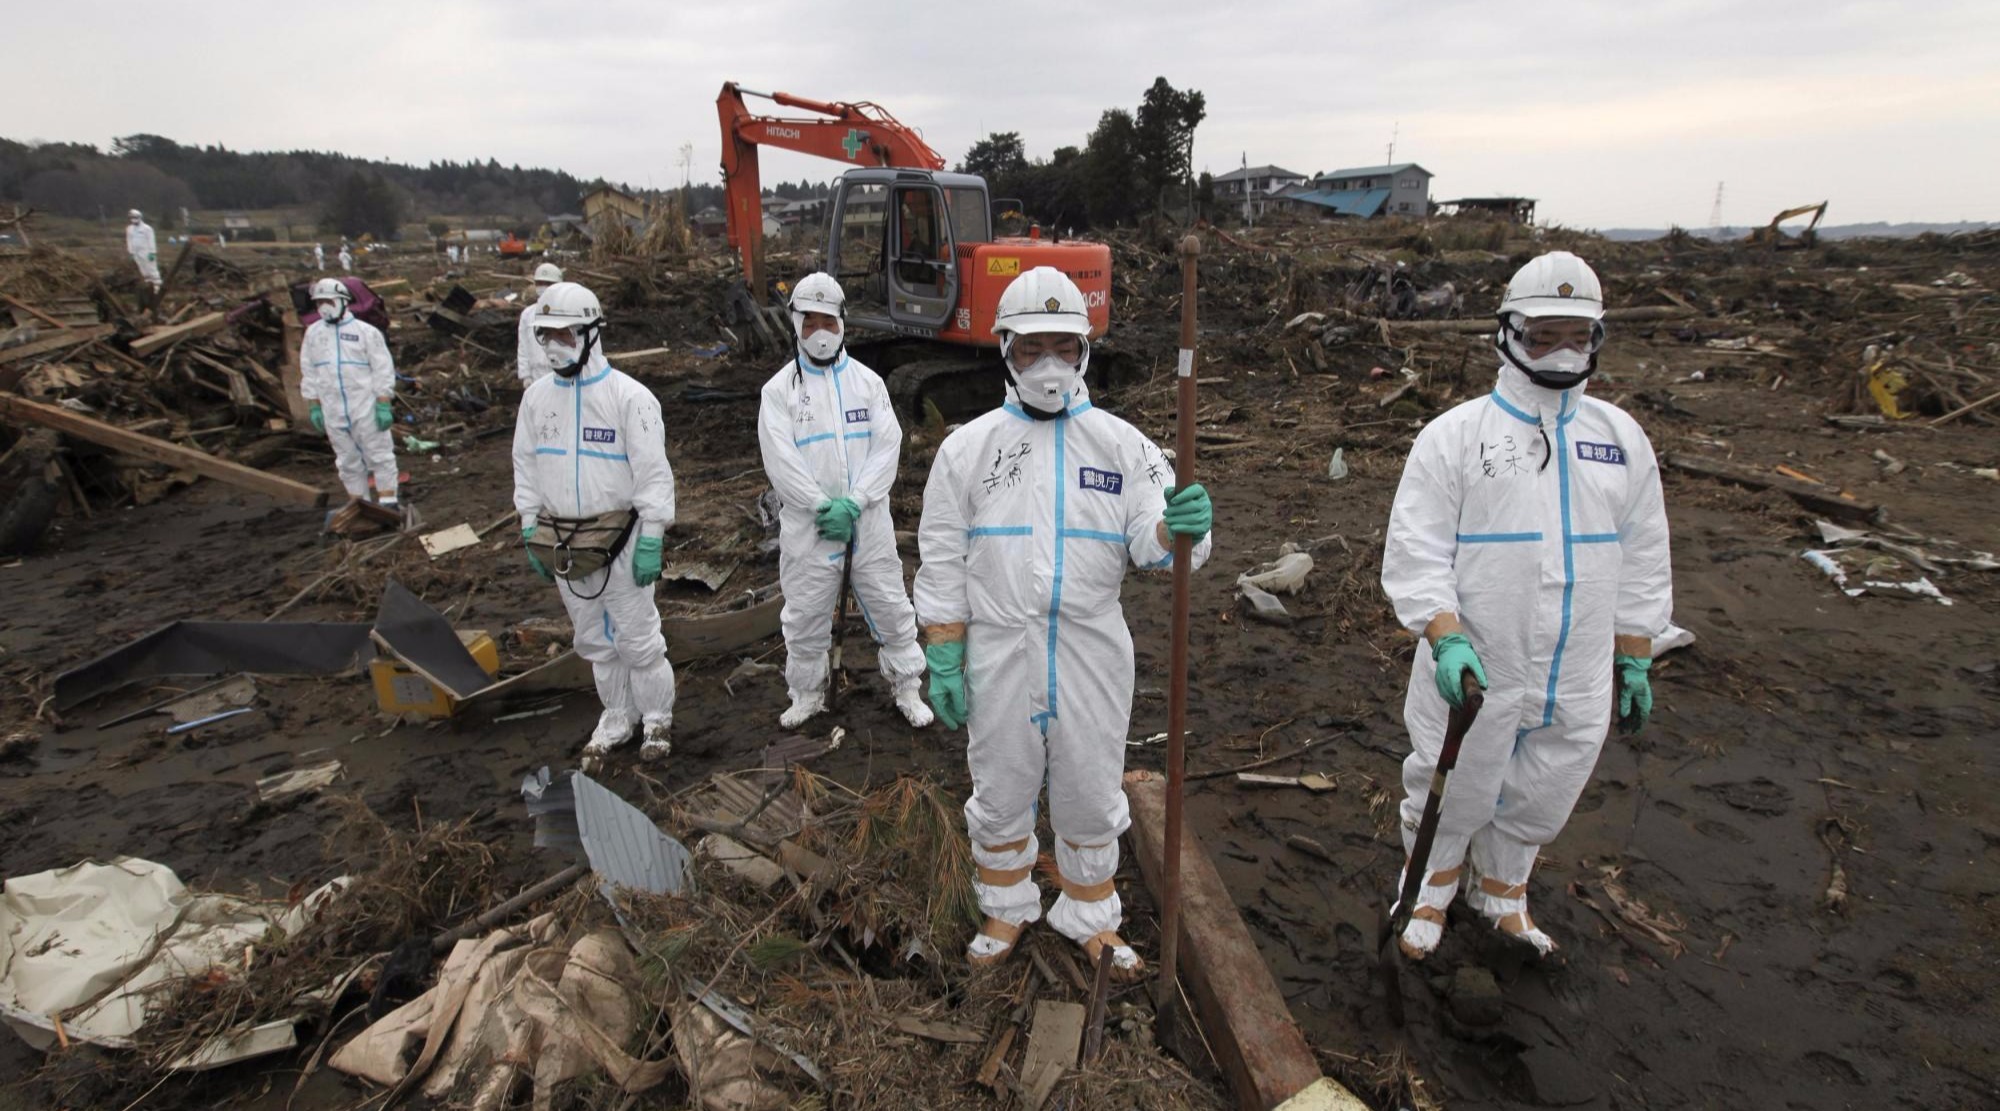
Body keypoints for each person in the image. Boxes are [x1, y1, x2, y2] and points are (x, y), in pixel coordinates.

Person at [914, 266, 1214, 978]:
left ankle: (1089, 909)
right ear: (1005, 350)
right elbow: (941, 554)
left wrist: (1181, 528)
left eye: (1063, 347)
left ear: (1084, 351)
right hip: (1000, 649)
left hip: (1090, 649)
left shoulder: (1123, 446)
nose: (1048, 364)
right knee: (1001, 782)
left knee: (1089, 784)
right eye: (1031, 348)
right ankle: (1006, 902)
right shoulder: (969, 449)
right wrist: (945, 649)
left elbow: (1157, 542)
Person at [1380, 251, 1671, 960]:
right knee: (1458, 781)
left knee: (1547, 783)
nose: (1562, 352)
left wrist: (1635, 654)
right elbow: (1417, 550)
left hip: (1576, 669)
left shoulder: (1619, 440)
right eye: (1544, 336)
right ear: (1508, 333)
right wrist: (1444, 635)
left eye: (1578, 335)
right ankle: (1427, 889)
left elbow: (1643, 552)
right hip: (1482, 659)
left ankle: (1502, 890)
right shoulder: (1456, 437)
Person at [756, 273, 931, 730]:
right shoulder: (778, 392)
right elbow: (781, 460)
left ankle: (907, 687)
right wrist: (821, 506)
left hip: (867, 526)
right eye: (809, 322)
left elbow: (887, 446)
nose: (819, 332)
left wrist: (855, 502)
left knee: (892, 608)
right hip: (810, 531)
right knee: (805, 617)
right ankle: (808, 695)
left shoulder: (868, 384)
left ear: (842, 323)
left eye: (828, 322)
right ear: (795, 324)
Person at [511, 282, 677, 761]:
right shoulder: (537, 400)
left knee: (639, 640)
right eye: (546, 335)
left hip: (622, 539)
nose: (554, 345)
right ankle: (617, 716)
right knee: (594, 641)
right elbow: (526, 465)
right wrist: (530, 525)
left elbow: (653, 474)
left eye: (565, 334)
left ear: (591, 333)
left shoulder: (630, 398)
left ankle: (657, 721)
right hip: (564, 542)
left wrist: (652, 535)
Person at [299, 278, 399, 509]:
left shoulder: (366, 333)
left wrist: (383, 403)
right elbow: (309, 371)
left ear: (343, 301)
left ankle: (388, 501)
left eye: (329, 301)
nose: (324, 307)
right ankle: (359, 505)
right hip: (333, 409)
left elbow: (383, 370)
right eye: (319, 302)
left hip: (364, 406)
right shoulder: (313, 334)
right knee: (346, 461)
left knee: (379, 455)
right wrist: (313, 405)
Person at [515, 262, 564, 386]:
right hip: (536, 374)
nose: (543, 287)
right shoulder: (528, 314)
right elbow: (523, 346)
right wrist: (525, 375)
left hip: (562, 373)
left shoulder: (566, 312)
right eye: (540, 283)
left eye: (548, 283)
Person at [125, 210, 161, 293]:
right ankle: (148, 285)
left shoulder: (147, 228)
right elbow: (129, 240)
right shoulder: (129, 229)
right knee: (142, 269)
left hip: (146, 252)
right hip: (136, 252)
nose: (134, 220)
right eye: (132, 218)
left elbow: (151, 240)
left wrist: (152, 252)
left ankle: (157, 286)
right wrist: (131, 252)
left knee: (151, 268)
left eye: (135, 217)